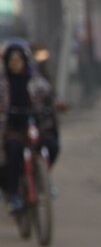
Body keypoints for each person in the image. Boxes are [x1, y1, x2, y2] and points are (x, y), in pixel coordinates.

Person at [0, 38, 60, 212]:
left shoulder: (37, 81)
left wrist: (55, 105)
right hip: (12, 128)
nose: (15, 64)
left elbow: (49, 97)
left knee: (52, 145)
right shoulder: (3, 84)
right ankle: (13, 193)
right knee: (12, 150)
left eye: (19, 60)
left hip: (36, 126)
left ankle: (43, 179)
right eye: (12, 61)